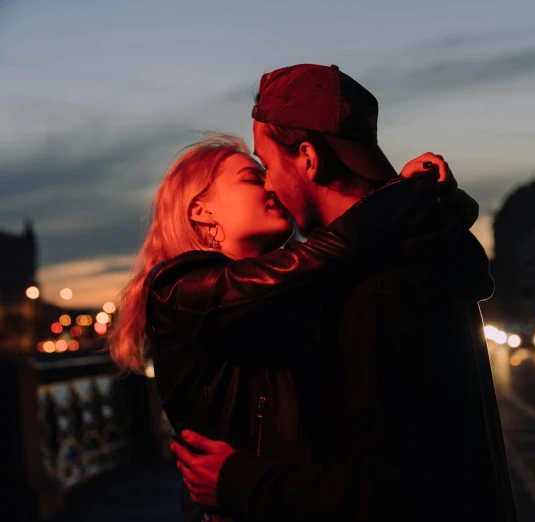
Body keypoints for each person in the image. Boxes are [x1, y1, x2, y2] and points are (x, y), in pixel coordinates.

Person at [170, 64, 518, 521]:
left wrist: (239, 482)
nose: (270, 185)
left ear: (309, 158)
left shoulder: (377, 285)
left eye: (268, 165)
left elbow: (396, 493)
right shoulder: (419, 252)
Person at [108, 132, 462, 522]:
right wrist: (400, 193)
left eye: (267, 173)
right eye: (251, 178)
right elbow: (329, 253)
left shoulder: (292, 294)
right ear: (201, 210)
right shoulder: (177, 289)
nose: (271, 184)